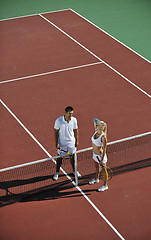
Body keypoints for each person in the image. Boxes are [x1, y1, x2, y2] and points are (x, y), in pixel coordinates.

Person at [53, 106, 81, 180]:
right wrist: (57, 143)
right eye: (69, 113)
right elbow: (56, 132)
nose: (70, 115)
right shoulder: (58, 121)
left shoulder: (74, 120)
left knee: (73, 158)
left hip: (71, 143)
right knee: (59, 158)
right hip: (62, 144)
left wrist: (77, 141)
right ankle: (57, 172)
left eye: (72, 113)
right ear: (65, 113)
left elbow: (76, 130)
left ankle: (75, 171)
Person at [89, 118, 108, 192]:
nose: (97, 126)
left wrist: (102, 159)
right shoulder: (96, 131)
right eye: (97, 125)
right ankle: (96, 179)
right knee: (96, 167)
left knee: (104, 171)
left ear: (101, 128)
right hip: (95, 154)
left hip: (100, 156)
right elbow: (95, 119)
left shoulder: (103, 137)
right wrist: (101, 122)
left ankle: (105, 185)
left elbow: (105, 149)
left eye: (99, 126)